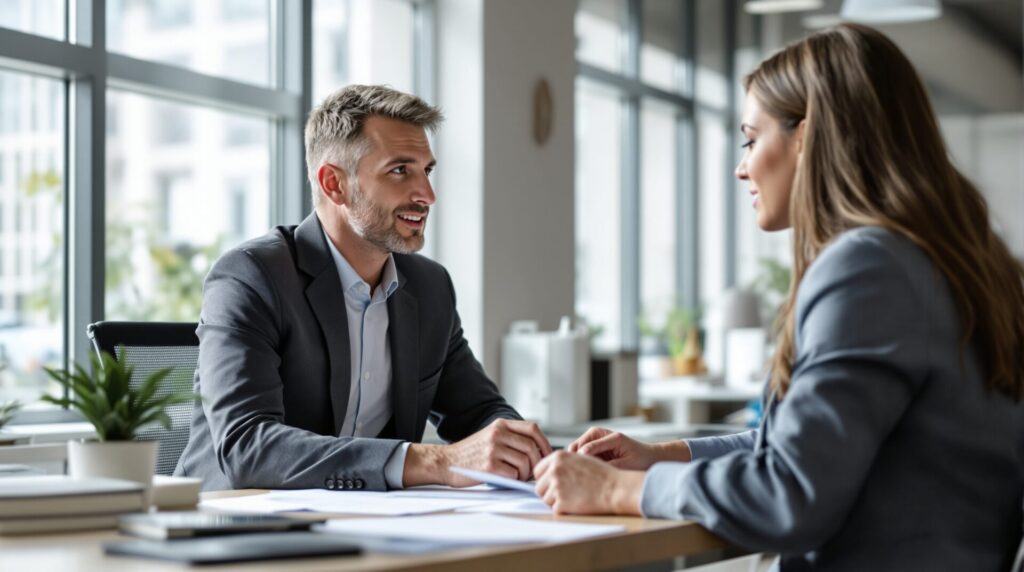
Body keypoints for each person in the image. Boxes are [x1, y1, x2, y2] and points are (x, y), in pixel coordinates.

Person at [534, 23, 1024, 571]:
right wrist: (661, 457)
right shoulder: (964, 262)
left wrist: (615, 493)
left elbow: (789, 494)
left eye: (750, 138)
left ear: (808, 137)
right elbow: (805, 451)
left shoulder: (868, 267)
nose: (742, 167)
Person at [177, 84, 550, 492]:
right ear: (334, 184)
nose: (427, 195)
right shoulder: (252, 277)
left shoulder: (429, 287)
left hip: (368, 527)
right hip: (232, 527)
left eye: (426, 171)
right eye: (399, 171)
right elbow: (248, 447)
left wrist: (534, 454)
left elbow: (478, 411)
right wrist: (435, 461)